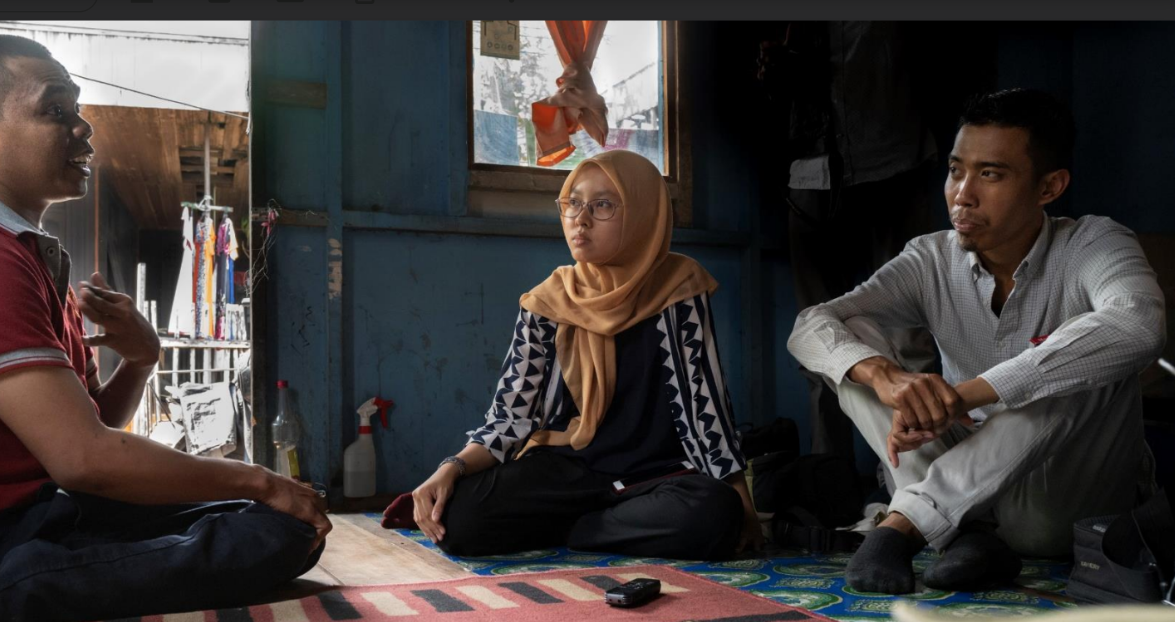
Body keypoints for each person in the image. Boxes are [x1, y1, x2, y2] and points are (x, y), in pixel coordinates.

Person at [0, 35, 328, 622]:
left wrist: (141, 360)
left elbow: (92, 431)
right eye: (55, 110)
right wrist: (258, 480)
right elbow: (84, 459)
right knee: (276, 527)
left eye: (77, 108)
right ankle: (6, 595)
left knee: (285, 524)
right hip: (14, 540)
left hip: (68, 509)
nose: (83, 128)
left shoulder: (22, 253)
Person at [787, 89, 1164, 594]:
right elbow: (810, 324)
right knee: (851, 350)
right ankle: (969, 540)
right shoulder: (930, 258)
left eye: (990, 174)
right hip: (968, 499)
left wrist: (967, 395)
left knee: (1085, 356)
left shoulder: (1095, 243)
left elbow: (1138, 325)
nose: (962, 194)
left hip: (1060, 505)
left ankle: (904, 525)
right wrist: (887, 378)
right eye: (955, 170)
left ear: (1049, 186)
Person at [409, 150, 762, 560]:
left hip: (654, 477)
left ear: (643, 213)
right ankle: (606, 525)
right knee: (459, 518)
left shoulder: (678, 288)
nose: (581, 219)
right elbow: (511, 416)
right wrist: (451, 467)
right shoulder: (546, 302)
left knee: (714, 512)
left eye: (603, 205)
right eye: (573, 202)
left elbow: (705, 408)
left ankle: (581, 529)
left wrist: (743, 506)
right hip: (567, 471)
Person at [758, 21, 941, 464]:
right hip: (810, 171)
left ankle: (928, 475)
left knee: (911, 336)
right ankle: (830, 480)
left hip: (896, 161)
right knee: (818, 341)